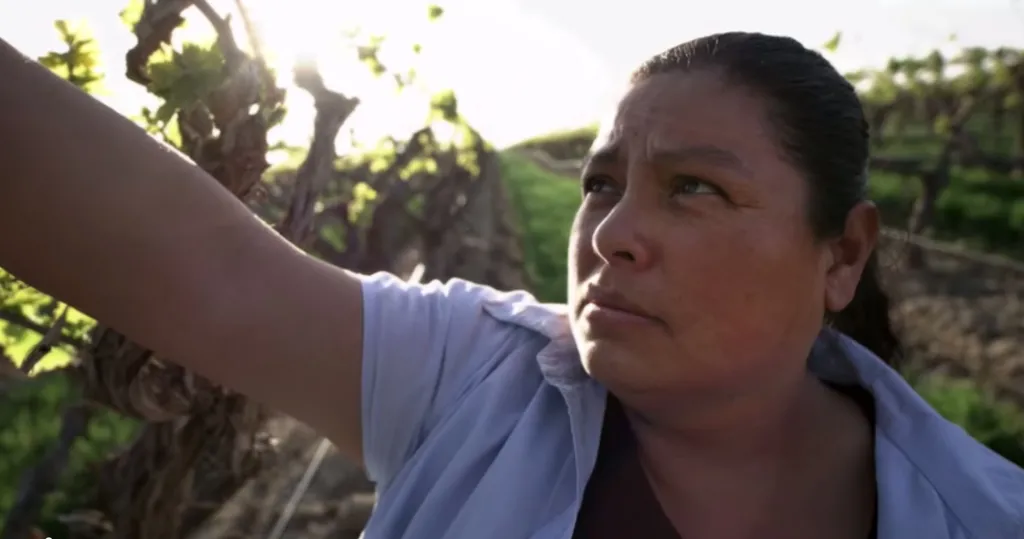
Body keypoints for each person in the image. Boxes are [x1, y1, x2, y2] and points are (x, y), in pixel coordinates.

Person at [0, 29, 1021, 538]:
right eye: (601, 184)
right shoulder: (468, 372)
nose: (614, 233)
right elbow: (208, 270)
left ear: (842, 253)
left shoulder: (988, 515)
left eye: (695, 189)